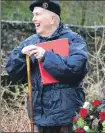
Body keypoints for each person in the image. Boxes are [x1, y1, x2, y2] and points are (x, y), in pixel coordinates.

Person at [5, 0, 88, 133]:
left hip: (65, 119)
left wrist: (45, 56)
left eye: (37, 14)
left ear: (52, 18)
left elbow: (76, 70)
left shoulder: (74, 40)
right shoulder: (30, 42)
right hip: (38, 118)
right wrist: (21, 55)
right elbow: (12, 71)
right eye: (33, 15)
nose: (33, 19)